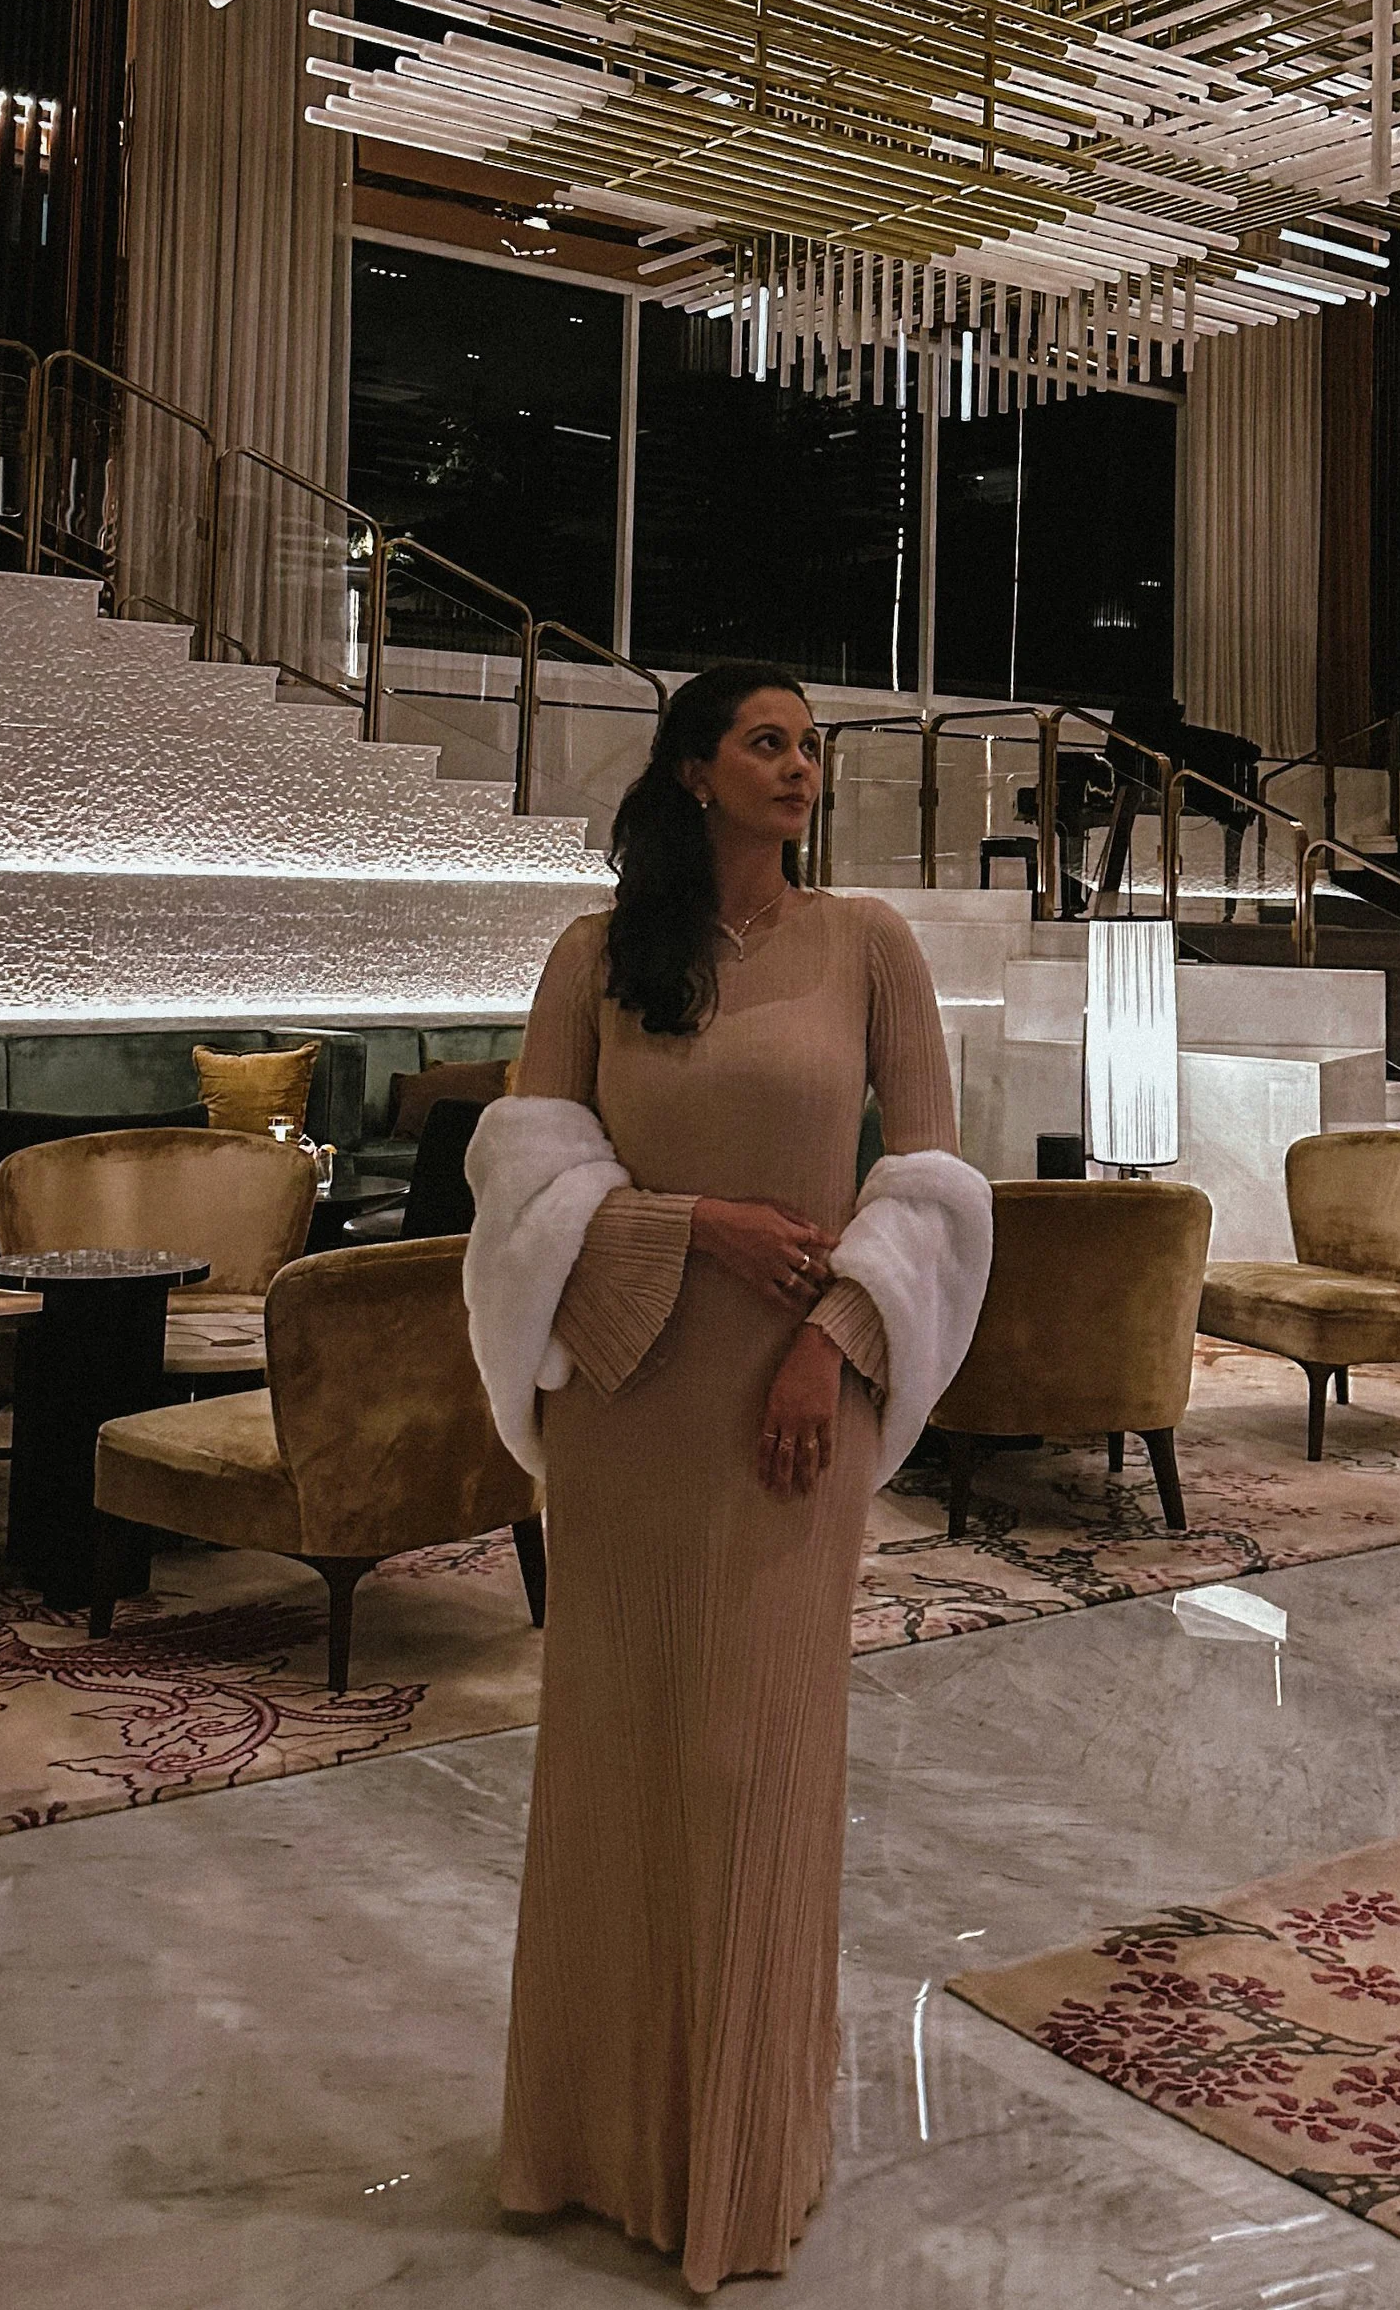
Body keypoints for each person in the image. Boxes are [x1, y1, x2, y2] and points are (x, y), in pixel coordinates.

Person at [464, 661, 992, 2294]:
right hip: (630, 1407)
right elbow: (525, 1183)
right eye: (768, 743)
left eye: (811, 746)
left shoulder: (870, 948)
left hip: (786, 1418)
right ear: (694, 771)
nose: (801, 768)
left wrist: (832, 1334)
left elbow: (932, 1185)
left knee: (754, 1770)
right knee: (621, 1762)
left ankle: (743, 2161)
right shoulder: (595, 958)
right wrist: (698, 1224)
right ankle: (592, 2143)